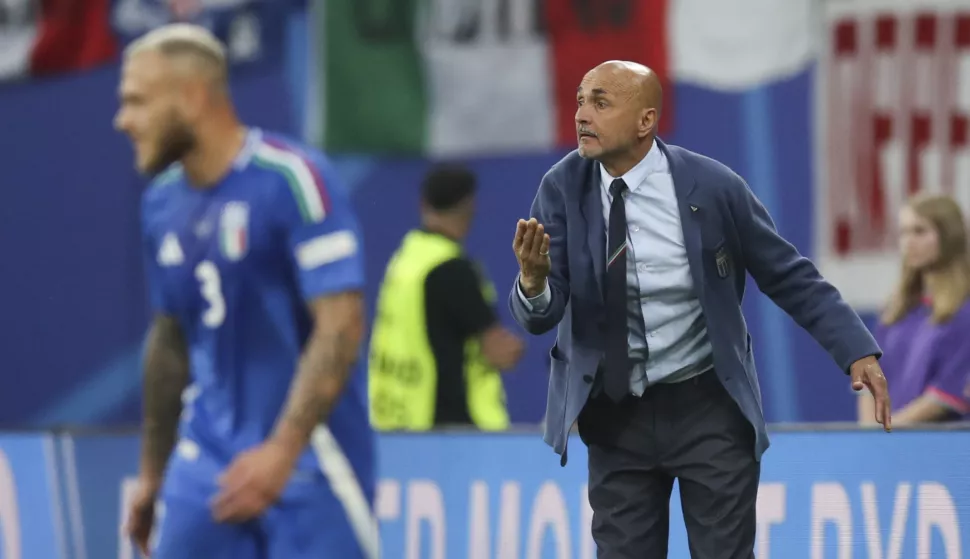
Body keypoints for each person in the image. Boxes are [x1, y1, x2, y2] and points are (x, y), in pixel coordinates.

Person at [508, 60, 893, 558]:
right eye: (581, 100)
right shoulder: (561, 189)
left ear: (646, 121)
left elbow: (788, 274)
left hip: (707, 409)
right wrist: (533, 282)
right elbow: (541, 315)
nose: (583, 114)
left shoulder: (712, 187)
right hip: (614, 415)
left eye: (601, 102)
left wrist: (855, 349)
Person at [115, 24, 378, 559]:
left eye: (137, 101)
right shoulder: (159, 205)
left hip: (313, 462)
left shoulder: (293, 181)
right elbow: (170, 341)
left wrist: (282, 452)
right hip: (206, 463)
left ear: (191, 97)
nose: (123, 120)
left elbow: (341, 324)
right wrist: (151, 473)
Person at [369, 164, 524, 431]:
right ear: (469, 206)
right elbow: (498, 352)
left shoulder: (404, 261)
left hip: (396, 418)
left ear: (423, 203)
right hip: (449, 427)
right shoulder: (453, 270)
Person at [859, 194, 970, 425]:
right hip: (888, 447)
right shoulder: (895, 311)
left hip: (940, 449)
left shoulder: (963, 311)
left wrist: (889, 431)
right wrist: (869, 436)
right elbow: (870, 378)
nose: (908, 241)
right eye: (903, 232)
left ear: (949, 237)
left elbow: (947, 394)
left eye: (919, 231)